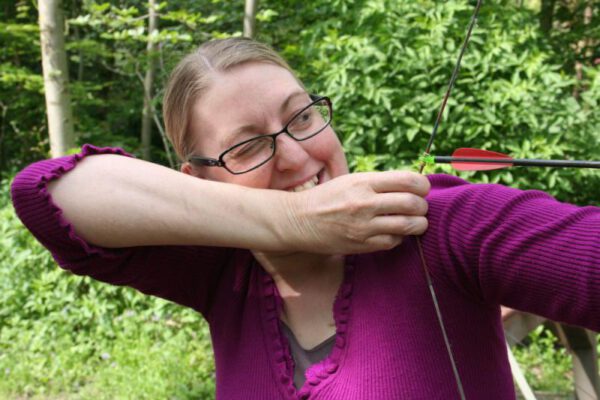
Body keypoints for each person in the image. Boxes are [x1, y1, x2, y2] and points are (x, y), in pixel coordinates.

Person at [11, 38, 600, 399]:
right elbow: (45, 193)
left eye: (302, 118)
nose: (297, 155)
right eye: (246, 148)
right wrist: (296, 218)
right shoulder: (222, 273)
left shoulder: (439, 226)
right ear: (201, 185)